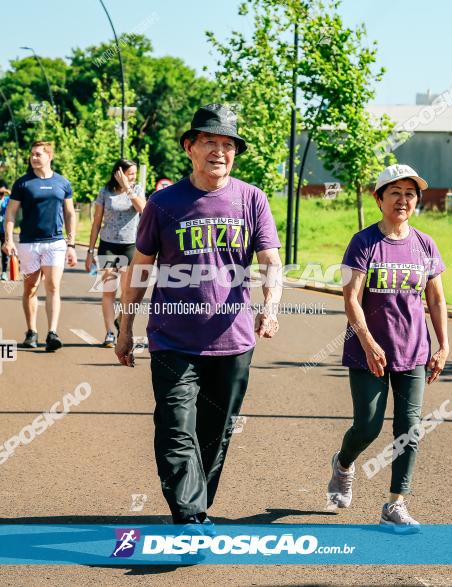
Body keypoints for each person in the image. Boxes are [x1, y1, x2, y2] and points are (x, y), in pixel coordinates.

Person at [116, 103, 283, 525]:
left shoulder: (251, 199)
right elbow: (140, 266)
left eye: (228, 144)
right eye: (210, 141)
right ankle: (190, 517)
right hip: (173, 339)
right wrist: (124, 327)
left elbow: (270, 260)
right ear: (190, 146)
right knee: (175, 426)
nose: (220, 151)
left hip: (233, 340)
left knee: (214, 432)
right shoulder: (163, 203)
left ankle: (196, 503)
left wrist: (271, 306)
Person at [325, 164, 450, 533]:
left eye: (410, 194)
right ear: (378, 198)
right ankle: (343, 464)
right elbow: (351, 298)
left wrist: (443, 345)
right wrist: (367, 342)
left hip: (413, 350)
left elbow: (437, 299)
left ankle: (395, 504)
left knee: (409, 427)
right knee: (367, 426)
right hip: (368, 351)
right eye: (394, 192)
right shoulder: (363, 243)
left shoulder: (425, 244)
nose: (403, 200)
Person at [3, 141, 77, 351]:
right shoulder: (23, 183)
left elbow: (70, 214)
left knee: (53, 286)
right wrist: (9, 239)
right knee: (30, 288)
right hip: (29, 244)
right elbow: (10, 213)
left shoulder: (62, 183)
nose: (34, 158)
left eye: (38, 154)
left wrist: (71, 243)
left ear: (49, 156)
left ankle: (52, 333)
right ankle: (31, 331)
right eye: (32, 155)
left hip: (55, 243)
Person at [85, 159, 146, 347]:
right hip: (108, 245)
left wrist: (128, 187)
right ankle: (110, 332)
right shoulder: (105, 191)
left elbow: (143, 209)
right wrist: (90, 250)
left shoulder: (136, 189)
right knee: (109, 290)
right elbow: (96, 222)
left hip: (130, 246)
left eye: (135, 174)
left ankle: (121, 320)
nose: (133, 177)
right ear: (118, 173)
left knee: (128, 293)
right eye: (130, 173)